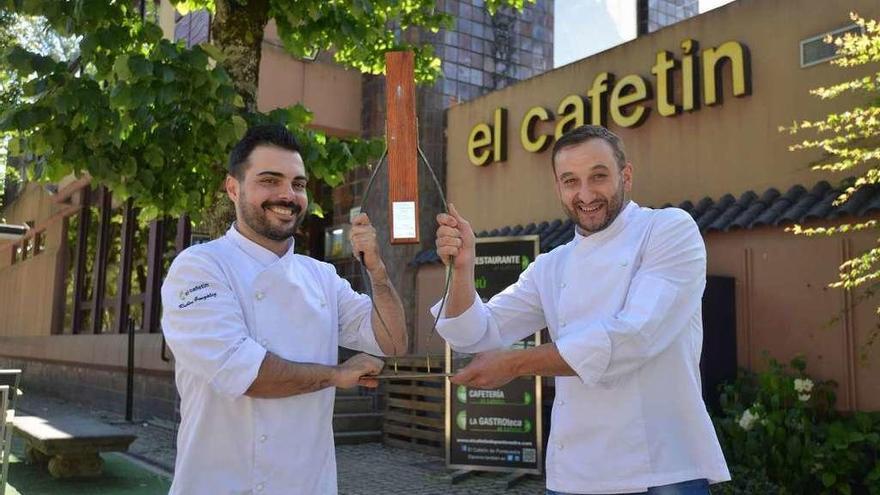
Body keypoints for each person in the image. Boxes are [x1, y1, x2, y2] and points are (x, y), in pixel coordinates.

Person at [433, 125, 730, 494]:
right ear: (558, 187)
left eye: (599, 176)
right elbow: (475, 332)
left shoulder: (667, 230)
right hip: (575, 473)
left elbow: (633, 337)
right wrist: (462, 267)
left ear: (626, 175)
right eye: (570, 181)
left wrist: (513, 364)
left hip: (661, 469)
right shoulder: (551, 265)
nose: (586, 194)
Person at [161, 124, 407, 495]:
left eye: (298, 184)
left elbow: (392, 342)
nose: (287, 195)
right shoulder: (199, 268)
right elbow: (245, 373)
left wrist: (378, 270)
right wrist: (337, 374)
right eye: (270, 180)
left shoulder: (321, 276)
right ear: (233, 188)